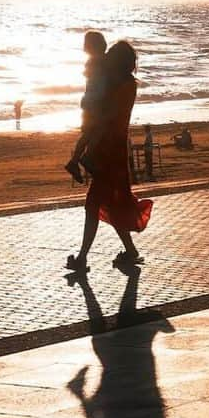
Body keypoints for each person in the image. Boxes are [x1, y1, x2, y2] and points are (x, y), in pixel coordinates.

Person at [66, 40, 153, 274]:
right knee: (111, 204)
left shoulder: (123, 87)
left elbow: (108, 117)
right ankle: (130, 251)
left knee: (94, 203)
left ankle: (83, 257)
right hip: (110, 148)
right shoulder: (122, 84)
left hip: (110, 150)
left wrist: (87, 145)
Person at [64, 31, 108, 185]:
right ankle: (87, 157)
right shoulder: (100, 61)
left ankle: (75, 160)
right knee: (99, 129)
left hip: (88, 101)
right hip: (95, 102)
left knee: (87, 133)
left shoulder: (90, 61)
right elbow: (102, 84)